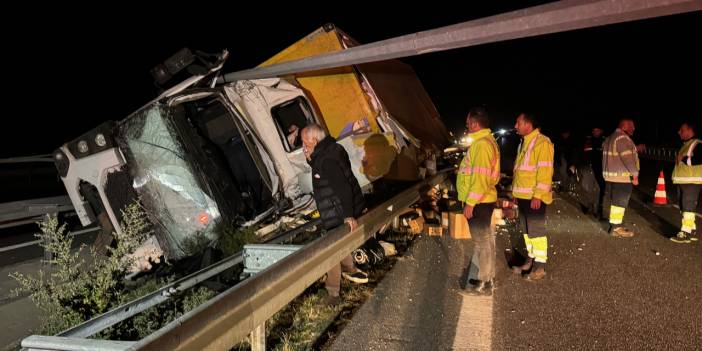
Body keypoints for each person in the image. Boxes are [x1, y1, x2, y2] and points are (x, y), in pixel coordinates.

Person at [301, 124, 368, 306]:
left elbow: (342, 187)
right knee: (338, 246)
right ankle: (350, 269)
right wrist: (310, 159)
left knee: (331, 250)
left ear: (315, 141)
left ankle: (333, 294)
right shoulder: (332, 149)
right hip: (340, 207)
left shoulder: (326, 160)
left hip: (338, 211)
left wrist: (347, 215)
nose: (303, 146)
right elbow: (326, 169)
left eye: (305, 142)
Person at [456, 107, 500, 295]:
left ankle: (483, 284)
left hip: (479, 202)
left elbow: (480, 178)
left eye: (468, 123)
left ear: (475, 124)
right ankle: (487, 278)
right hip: (485, 199)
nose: (466, 126)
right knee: (487, 240)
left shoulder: (481, 145)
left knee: (482, 243)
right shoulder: (488, 142)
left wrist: (470, 203)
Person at [510, 113, 554, 281]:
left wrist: (538, 195)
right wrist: (515, 193)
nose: (515, 126)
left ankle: (540, 267)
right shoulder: (524, 143)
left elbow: (545, 172)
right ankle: (530, 260)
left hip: (534, 197)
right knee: (527, 231)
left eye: (518, 122)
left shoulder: (543, 143)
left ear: (528, 125)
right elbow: (519, 171)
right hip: (522, 195)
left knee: (536, 231)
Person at [602, 119, 639, 238]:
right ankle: (616, 227)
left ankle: (615, 225)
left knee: (615, 203)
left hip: (611, 177)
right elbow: (627, 158)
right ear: (624, 126)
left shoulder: (610, 138)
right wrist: (635, 175)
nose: (633, 129)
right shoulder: (622, 138)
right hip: (621, 177)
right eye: (632, 126)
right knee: (619, 203)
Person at [670, 121, 701, 243]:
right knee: (684, 206)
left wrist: (684, 158)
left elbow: (698, 159)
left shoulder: (697, 143)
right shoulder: (686, 144)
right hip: (684, 181)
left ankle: (686, 232)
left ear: (689, 130)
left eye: (681, 129)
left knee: (688, 206)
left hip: (692, 181)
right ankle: (692, 230)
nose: (679, 132)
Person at [583, 126, 606, 218]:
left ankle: (597, 210)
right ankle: (589, 206)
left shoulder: (605, 141)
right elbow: (585, 154)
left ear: (601, 131)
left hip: (601, 169)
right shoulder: (588, 140)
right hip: (588, 167)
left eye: (597, 130)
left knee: (598, 189)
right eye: (594, 130)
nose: (595, 132)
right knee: (587, 188)